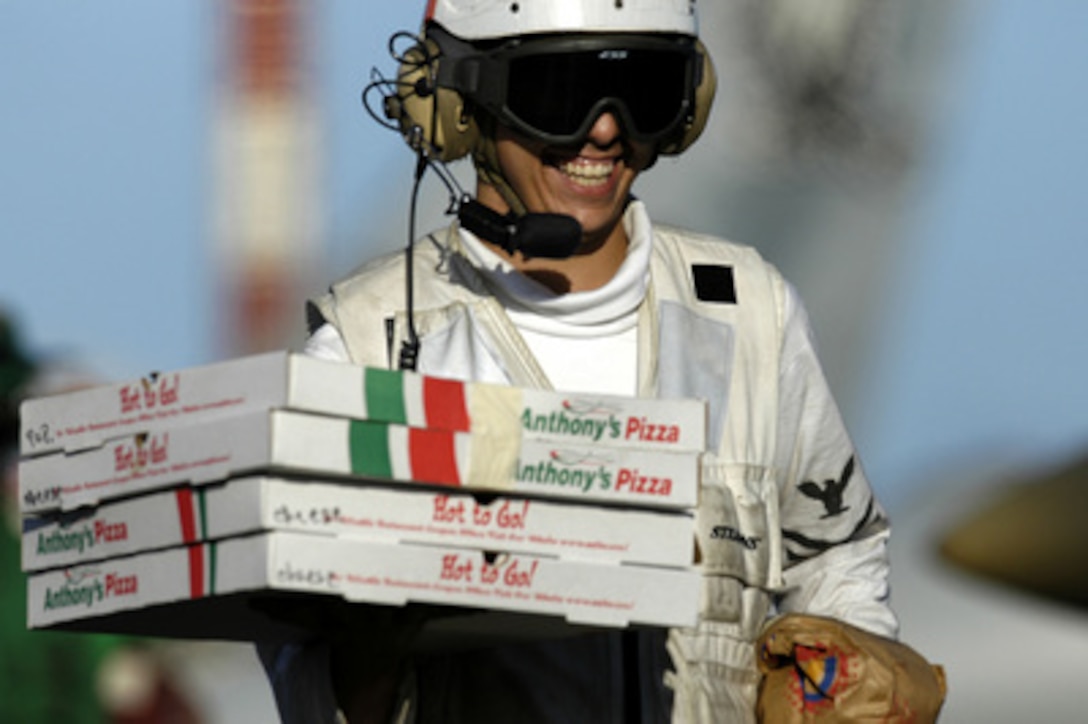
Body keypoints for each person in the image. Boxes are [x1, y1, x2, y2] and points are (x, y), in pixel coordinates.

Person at [259, 1, 899, 722]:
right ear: (455, 105)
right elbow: (303, 666)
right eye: (559, 93)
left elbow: (838, 552)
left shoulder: (751, 315)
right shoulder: (366, 349)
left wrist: (844, 680)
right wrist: (367, 658)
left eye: (644, 93)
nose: (603, 129)